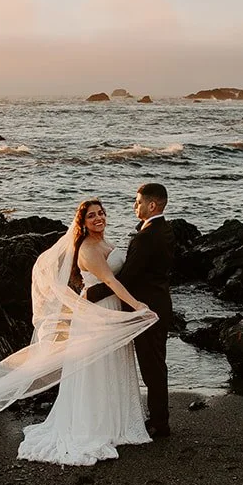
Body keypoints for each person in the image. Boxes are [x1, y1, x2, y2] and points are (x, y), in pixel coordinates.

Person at [0, 198, 158, 465]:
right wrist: (139, 307)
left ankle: (118, 421)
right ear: (83, 222)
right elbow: (112, 281)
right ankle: (96, 426)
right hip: (96, 314)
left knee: (113, 364)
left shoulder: (105, 241)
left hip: (109, 309)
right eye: (92, 216)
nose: (99, 218)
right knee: (98, 369)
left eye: (101, 213)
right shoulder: (88, 249)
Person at [84, 182, 174, 437]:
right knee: (156, 365)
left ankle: (160, 423)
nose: (134, 205)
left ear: (152, 205)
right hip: (160, 303)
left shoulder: (147, 237)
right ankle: (159, 417)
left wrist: (93, 293)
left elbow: (129, 277)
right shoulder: (165, 230)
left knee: (152, 368)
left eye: (138, 201)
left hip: (148, 311)